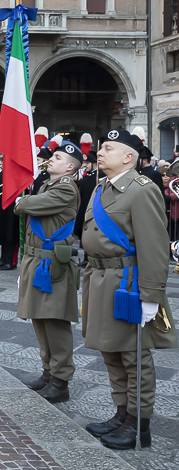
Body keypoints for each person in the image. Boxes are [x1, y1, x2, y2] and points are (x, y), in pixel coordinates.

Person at [82, 128, 177, 450]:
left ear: (128, 157)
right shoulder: (101, 187)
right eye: (101, 147)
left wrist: (151, 296)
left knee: (134, 356)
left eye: (108, 148)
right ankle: (121, 413)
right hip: (101, 279)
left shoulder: (142, 189)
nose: (100, 151)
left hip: (129, 284)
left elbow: (155, 246)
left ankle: (138, 423)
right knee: (111, 351)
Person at [14, 142, 82, 404]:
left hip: (52, 265)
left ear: (69, 167)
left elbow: (27, 206)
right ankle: (48, 373)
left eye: (57, 157)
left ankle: (61, 381)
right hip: (36, 259)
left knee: (54, 323)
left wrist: (23, 201)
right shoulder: (48, 184)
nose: (50, 160)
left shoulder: (65, 188)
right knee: (39, 320)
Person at [0, 157, 19, 271]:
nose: (0, 163)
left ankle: (12, 261)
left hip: (12, 207)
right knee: (5, 233)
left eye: (2, 161)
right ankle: (3, 259)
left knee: (11, 234)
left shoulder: (14, 171)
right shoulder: (4, 172)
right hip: (3, 206)